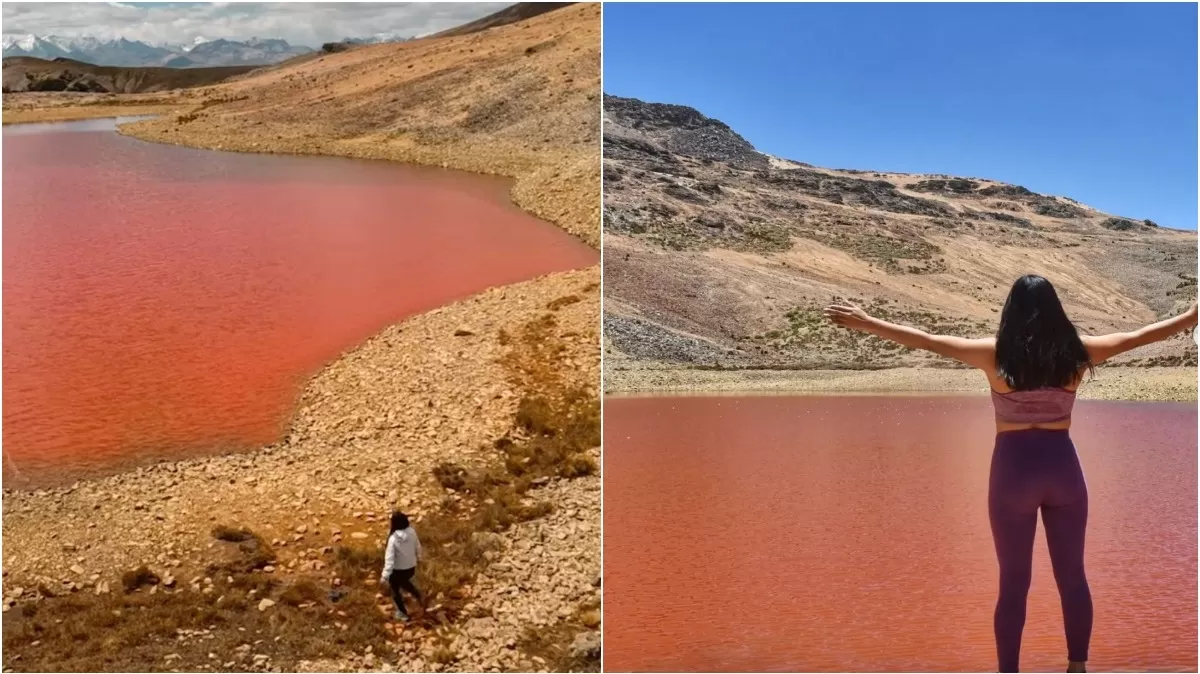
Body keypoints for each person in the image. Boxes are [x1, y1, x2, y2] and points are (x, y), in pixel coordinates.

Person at [824, 275, 1197, 673]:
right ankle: (1077, 667)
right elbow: (1138, 337)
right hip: (1063, 469)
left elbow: (928, 340)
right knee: (1073, 576)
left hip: (1013, 472)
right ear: (1057, 310)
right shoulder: (1078, 353)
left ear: (1010, 311)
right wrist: (1190, 316)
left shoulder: (994, 354)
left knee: (1013, 583)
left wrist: (868, 322)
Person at [380, 511, 423, 622]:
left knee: (395, 590)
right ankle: (418, 596)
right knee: (404, 582)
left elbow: (389, 560)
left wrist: (384, 576)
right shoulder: (412, 532)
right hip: (411, 568)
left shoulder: (393, 539)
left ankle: (402, 613)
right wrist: (419, 558)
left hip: (398, 570)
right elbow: (418, 546)